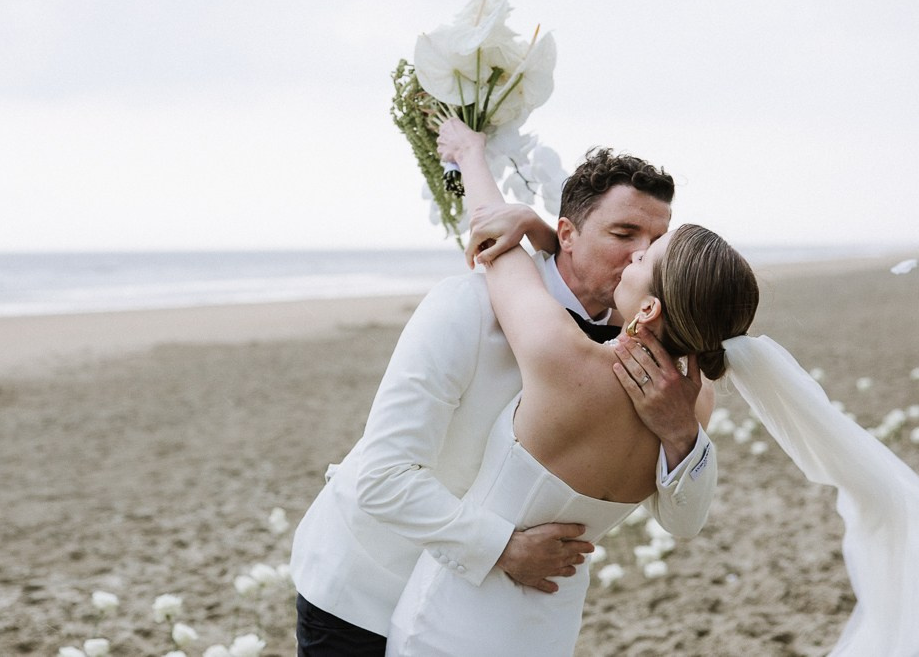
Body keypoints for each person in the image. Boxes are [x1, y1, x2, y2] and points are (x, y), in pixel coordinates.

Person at [386, 120, 919, 656]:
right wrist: (552, 232)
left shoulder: (560, 356)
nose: (633, 256)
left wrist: (486, 174)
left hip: (451, 617)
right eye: (630, 240)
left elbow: (493, 241)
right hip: (547, 625)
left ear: (648, 309)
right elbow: (685, 521)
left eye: (646, 256)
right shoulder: (694, 401)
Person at [289, 123, 719, 654]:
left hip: (485, 618)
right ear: (566, 234)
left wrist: (682, 436)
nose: (639, 255)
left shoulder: (653, 368)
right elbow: (382, 476)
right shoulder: (464, 307)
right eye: (623, 233)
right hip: (365, 585)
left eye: (655, 242)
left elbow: (682, 518)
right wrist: (501, 549)